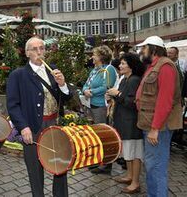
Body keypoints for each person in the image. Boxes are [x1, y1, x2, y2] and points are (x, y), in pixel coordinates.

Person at [7, 37, 72, 197]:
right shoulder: (18, 75)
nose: (39, 52)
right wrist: (23, 127)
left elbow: (67, 97)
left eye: (42, 48)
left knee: (60, 164)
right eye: (35, 49)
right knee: (35, 169)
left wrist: (63, 84)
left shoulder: (53, 70)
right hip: (32, 126)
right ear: (27, 53)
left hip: (53, 124)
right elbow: (13, 105)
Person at [135, 36, 183, 197]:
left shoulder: (166, 67)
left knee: (156, 168)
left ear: (153, 49)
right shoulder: (153, 66)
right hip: (151, 124)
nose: (142, 51)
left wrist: (155, 128)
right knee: (151, 166)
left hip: (158, 127)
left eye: (144, 48)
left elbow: (165, 100)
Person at [107, 53, 145, 194]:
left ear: (131, 65)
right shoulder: (124, 79)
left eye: (123, 63)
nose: (120, 66)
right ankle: (129, 176)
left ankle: (135, 183)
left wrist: (117, 94)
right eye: (121, 63)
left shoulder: (134, 80)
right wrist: (112, 95)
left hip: (131, 123)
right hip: (123, 121)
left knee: (134, 154)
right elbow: (121, 99)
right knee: (128, 152)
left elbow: (132, 103)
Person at [82, 45, 117, 174]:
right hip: (91, 104)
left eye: (94, 55)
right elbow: (86, 83)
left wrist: (91, 92)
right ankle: (97, 161)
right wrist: (85, 90)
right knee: (95, 135)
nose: (92, 57)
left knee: (103, 135)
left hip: (102, 105)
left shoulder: (109, 69)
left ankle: (106, 164)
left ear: (101, 57)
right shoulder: (95, 70)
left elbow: (107, 86)